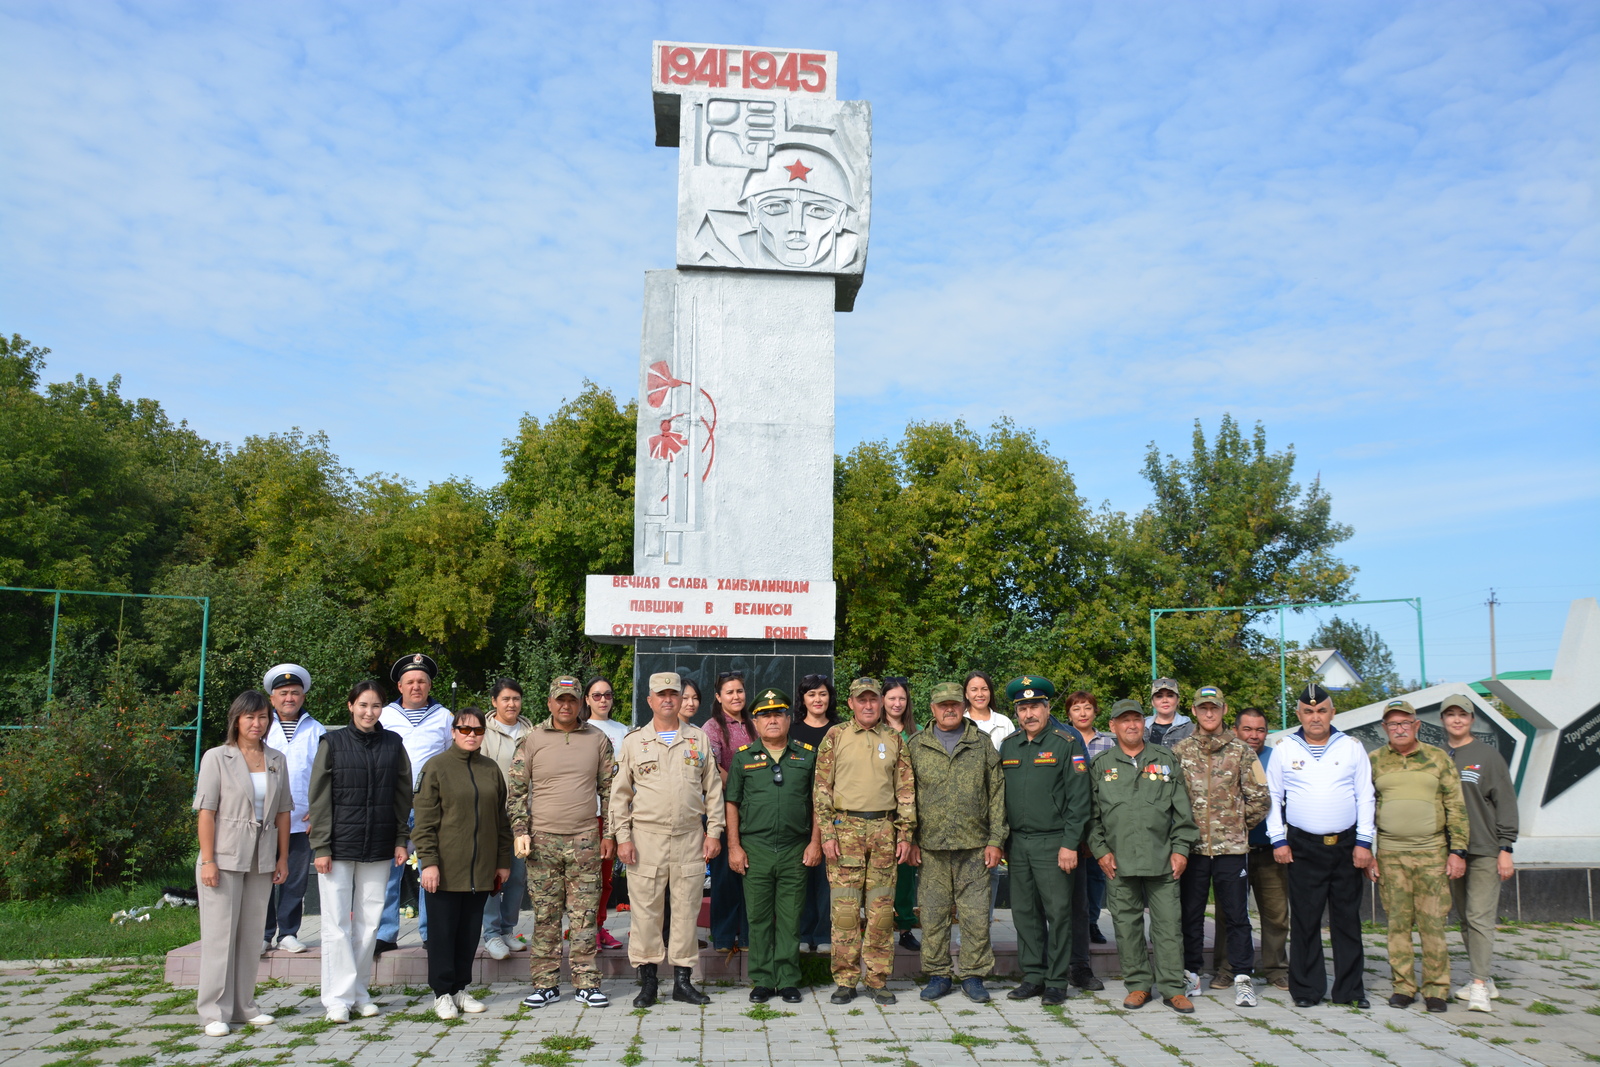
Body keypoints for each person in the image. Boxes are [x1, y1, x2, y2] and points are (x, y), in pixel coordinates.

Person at [609, 672, 724, 1008]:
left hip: (689, 837)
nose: (668, 699)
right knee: (646, 914)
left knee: (686, 911)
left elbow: (713, 789)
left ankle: (683, 982)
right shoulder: (634, 742)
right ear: (650, 700)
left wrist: (714, 832)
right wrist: (623, 839)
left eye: (674, 693)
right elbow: (620, 796)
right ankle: (648, 983)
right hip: (646, 839)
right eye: (661, 694)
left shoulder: (697, 740)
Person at [506, 676, 616, 1008]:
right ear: (550, 702)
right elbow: (516, 792)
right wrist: (520, 831)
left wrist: (609, 833)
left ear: (581, 702)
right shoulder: (531, 740)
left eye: (572, 700)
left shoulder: (598, 739)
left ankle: (586, 982)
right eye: (560, 700)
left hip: (585, 839)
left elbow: (610, 790)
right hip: (542, 841)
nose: (566, 706)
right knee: (545, 914)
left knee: (584, 915)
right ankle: (545, 983)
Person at [308, 680, 413, 1023]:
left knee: (369, 924)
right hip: (337, 846)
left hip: (380, 844)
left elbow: (402, 797)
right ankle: (337, 999)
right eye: (363, 705)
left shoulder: (393, 744)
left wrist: (401, 839)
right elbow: (319, 798)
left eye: (376, 706)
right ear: (350, 706)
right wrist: (321, 845)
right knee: (336, 923)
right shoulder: (332, 743)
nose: (370, 712)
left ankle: (359, 992)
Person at [1266, 683, 1375, 1009]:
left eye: (1322, 710)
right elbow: (1272, 796)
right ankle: (1307, 990)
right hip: (1302, 847)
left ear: (1332, 712)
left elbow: (1365, 795)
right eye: (1309, 711)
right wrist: (1278, 839)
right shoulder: (1285, 748)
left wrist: (1364, 842)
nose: (1316, 717)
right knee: (1305, 921)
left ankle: (1350, 991)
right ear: (1299, 714)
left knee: (1347, 921)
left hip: (1345, 846)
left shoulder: (1351, 747)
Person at [193, 690, 292, 1037]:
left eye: (263, 717)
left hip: (261, 858)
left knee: (251, 936)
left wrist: (282, 857)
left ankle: (243, 1006)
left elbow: (283, 813)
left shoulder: (277, 759)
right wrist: (208, 861)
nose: (257, 723)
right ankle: (213, 1011)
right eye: (250, 717)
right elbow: (206, 812)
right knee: (221, 937)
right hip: (223, 856)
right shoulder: (217, 757)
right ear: (236, 719)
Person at [1091, 698, 1198, 1014]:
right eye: (1124, 720)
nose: (1131, 725)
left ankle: (1173, 988)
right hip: (1119, 861)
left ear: (1144, 723)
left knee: (1168, 926)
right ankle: (1138, 985)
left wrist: (1181, 850)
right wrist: (1101, 851)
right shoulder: (1102, 765)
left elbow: (1183, 813)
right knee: (1127, 926)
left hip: (1162, 860)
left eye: (1136, 719)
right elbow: (1092, 816)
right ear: (1113, 726)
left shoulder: (1165, 760)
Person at [813, 677, 916, 1006]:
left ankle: (877, 978)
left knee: (882, 913)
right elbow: (821, 789)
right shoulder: (836, 736)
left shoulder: (894, 738)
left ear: (881, 702)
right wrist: (827, 834)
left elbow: (906, 790)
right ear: (851, 704)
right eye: (862, 700)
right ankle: (845, 979)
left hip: (885, 833)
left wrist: (906, 833)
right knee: (844, 913)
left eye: (874, 700)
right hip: (846, 833)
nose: (869, 705)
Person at [908, 682, 1007, 1004]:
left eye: (954, 704)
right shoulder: (916, 745)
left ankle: (973, 975)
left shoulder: (981, 744)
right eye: (941, 705)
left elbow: (996, 793)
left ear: (963, 707)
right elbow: (906, 796)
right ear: (932, 709)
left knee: (976, 916)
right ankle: (938, 974)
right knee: (933, 916)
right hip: (931, 847)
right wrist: (909, 839)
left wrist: (995, 840)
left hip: (975, 845)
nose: (948, 710)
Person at [1369, 699, 1469, 1013]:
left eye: (1404, 723)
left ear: (1417, 726)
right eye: (1392, 724)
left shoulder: (1438, 759)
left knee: (1433, 925)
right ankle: (1403, 987)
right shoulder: (1374, 761)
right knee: (1398, 925)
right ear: (1384, 728)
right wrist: (1369, 854)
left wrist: (1458, 851)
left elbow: (1456, 806)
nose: (1399, 729)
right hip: (1391, 856)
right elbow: (1363, 809)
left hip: (1432, 855)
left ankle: (1436, 989)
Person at [1171, 686, 1269, 1007]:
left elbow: (1259, 798)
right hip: (1193, 849)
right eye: (1203, 708)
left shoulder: (1243, 751)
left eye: (1214, 708)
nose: (1209, 714)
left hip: (1232, 849)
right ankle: (1192, 974)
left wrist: (1236, 825)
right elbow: (1171, 798)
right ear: (1195, 711)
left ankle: (1242, 977)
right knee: (1191, 914)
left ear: (1224, 709)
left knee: (1237, 915)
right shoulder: (1180, 751)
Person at [412, 707, 512, 1020]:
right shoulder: (436, 767)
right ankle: (441, 993)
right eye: (464, 729)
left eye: (477, 730)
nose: (471, 735)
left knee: (468, 933)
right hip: (444, 869)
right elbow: (424, 822)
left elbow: (501, 820)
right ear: (453, 732)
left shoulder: (490, 769)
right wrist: (428, 862)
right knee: (442, 933)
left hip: (480, 870)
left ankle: (460, 989)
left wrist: (502, 861)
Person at [725, 687, 821, 1004]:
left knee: (792, 917)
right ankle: (764, 979)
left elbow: (818, 803)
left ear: (788, 718)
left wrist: (815, 843)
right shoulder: (743, 758)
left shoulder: (806, 755)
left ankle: (789, 979)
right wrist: (734, 847)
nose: (772, 720)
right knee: (759, 918)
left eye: (778, 713)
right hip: (756, 848)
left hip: (796, 848)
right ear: (755, 721)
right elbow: (732, 803)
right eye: (765, 715)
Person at [1000, 677, 1091, 1006]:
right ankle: (1033, 976)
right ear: (1017, 713)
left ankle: (1056, 980)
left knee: (1059, 912)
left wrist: (1070, 843)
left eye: (1035, 706)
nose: (1029, 713)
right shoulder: (1009, 745)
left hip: (1055, 843)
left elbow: (1080, 800)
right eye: (1022, 708)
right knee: (1024, 913)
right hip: (1018, 844)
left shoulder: (1066, 742)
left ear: (1047, 707)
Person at [1440, 694, 1517, 1011]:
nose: (1457, 720)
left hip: (1483, 848)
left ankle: (1481, 986)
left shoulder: (1487, 756)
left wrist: (1505, 848)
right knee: (1465, 918)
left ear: (1472, 719)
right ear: (1443, 719)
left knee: (1479, 917)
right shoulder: (1439, 755)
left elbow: (1506, 804)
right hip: (1449, 852)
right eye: (1451, 715)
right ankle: (1481, 975)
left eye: (1463, 715)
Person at [375, 653, 454, 955]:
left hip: (430, 805)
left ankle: (430, 932)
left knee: (430, 869)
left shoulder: (445, 717)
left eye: (422, 681)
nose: (416, 686)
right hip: (393, 803)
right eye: (410, 681)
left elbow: (450, 760)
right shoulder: (385, 716)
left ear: (430, 684)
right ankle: (384, 933)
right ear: (400, 685)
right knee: (389, 871)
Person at [261, 663, 325, 956]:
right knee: (261, 877)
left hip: (301, 818)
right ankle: (262, 934)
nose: (290, 698)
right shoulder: (260, 725)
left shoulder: (316, 730)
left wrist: (319, 810)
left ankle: (288, 932)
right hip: (263, 819)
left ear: (303, 697)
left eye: (295, 693)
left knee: (295, 880)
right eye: (283, 693)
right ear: (272, 697)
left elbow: (326, 774)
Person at [1233, 707, 1290, 991]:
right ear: (1235, 730)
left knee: (1276, 914)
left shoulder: (1276, 758)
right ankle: (1227, 968)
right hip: (1233, 851)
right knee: (1230, 913)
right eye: (1248, 729)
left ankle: (1276, 969)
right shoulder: (1227, 756)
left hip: (1269, 850)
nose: (1254, 736)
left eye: (1260, 730)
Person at [479, 679, 533, 961]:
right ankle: (491, 934)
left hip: (522, 816)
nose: (511, 704)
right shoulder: (484, 732)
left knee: (517, 876)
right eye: (505, 699)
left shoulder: (532, 731)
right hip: (492, 816)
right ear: (494, 702)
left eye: (516, 698)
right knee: (492, 876)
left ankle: (508, 929)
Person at [1064, 690, 1112, 989]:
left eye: (1088, 708)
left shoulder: (1108, 741)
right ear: (1068, 713)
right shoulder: (1064, 739)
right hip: (1071, 825)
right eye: (1076, 708)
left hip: (1100, 820)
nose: (1083, 713)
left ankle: (1092, 923)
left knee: (1095, 880)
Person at [790, 674, 839, 953]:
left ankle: (823, 934)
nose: (817, 700)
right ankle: (803, 932)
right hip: (799, 811)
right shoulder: (793, 731)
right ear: (803, 699)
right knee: (801, 875)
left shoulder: (840, 730)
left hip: (834, 813)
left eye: (822, 694)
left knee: (826, 876)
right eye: (811, 695)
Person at [705, 671, 754, 954]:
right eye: (730, 692)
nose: (736, 696)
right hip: (724, 807)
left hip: (755, 810)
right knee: (724, 876)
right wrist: (739, 789)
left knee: (750, 873)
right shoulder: (712, 727)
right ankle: (723, 938)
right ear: (718, 697)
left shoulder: (754, 724)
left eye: (740, 691)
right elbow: (712, 766)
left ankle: (747, 937)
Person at [585, 676, 630, 952]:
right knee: (583, 878)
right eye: (597, 695)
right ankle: (583, 928)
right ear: (587, 700)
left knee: (606, 878)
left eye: (608, 695)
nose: (603, 700)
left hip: (613, 814)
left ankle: (599, 927)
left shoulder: (623, 731)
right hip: (585, 813)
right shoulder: (581, 729)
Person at [882, 676, 922, 953]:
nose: (897, 703)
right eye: (892, 698)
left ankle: (905, 927)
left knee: (906, 875)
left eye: (902, 699)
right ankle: (878, 928)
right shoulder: (873, 731)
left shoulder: (918, 733)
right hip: (880, 814)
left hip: (910, 814)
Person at [1145, 678, 1194, 746]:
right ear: (1152, 702)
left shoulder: (1190, 728)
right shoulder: (1142, 727)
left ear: (1177, 700)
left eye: (1170, 696)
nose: (1165, 700)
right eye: (1159, 696)